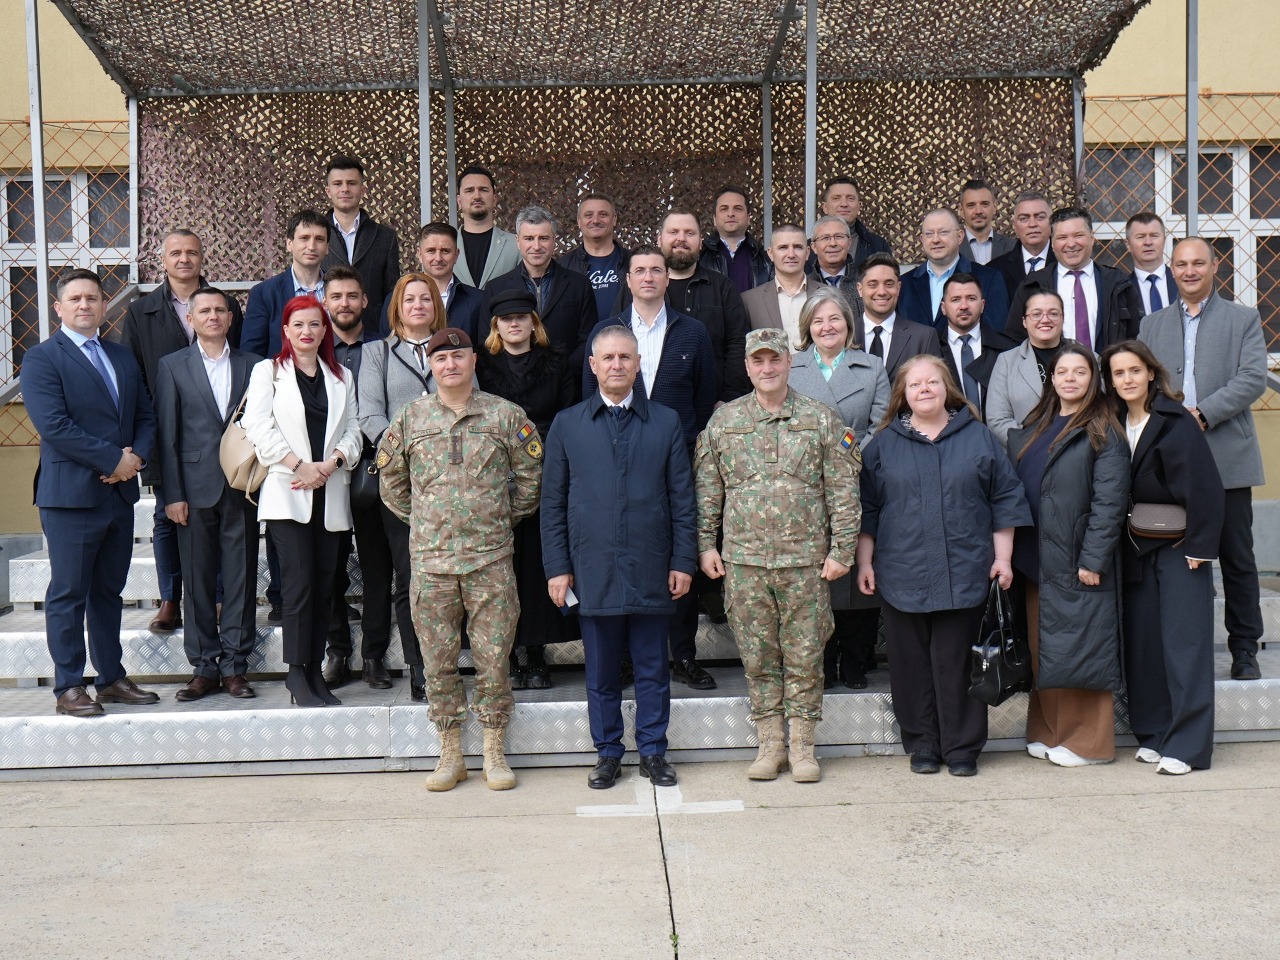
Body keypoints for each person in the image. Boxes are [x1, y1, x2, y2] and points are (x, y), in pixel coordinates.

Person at [377, 328, 543, 792]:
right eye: (441, 358)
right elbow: (391, 482)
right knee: (438, 662)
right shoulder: (410, 417)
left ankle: (493, 749)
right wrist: (427, 521)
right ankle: (450, 752)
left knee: (494, 659)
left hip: (490, 560)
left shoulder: (505, 415)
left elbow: (531, 477)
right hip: (432, 564)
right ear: (431, 366)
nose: (450, 364)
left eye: (458, 356)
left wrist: (497, 519)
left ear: (474, 360)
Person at [695, 328, 863, 783]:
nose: (767, 368)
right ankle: (770, 744)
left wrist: (842, 550)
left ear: (790, 363)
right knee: (758, 657)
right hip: (745, 564)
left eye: (775, 359)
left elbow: (843, 491)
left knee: (806, 656)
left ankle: (803, 747)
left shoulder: (820, 419)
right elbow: (708, 491)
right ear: (747, 367)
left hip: (806, 564)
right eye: (758, 361)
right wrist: (706, 545)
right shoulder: (725, 422)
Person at [856, 355, 1030, 776]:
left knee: (958, 664)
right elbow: (868, 509)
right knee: (910, 666)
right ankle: (922, 745)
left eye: (932, 381)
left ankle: (962, 749)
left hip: (965, 569)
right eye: (915, 384)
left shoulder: (979, 438)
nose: (924, 389)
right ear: (903, 394)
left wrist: (1003, 558)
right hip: (902, 572)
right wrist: (864, 562)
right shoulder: (883, 445)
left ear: (946, 387)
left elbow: (1004, 498)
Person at [542, 325, 696, 790]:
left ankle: (653, 751)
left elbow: (683, 499)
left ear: (637, 364)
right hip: (592, 568)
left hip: (652, 564)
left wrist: (683, 560)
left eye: (625, 357)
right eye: (607, 358)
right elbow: (552, 504)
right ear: (592, 365)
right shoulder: (568, 425)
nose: (616, 365)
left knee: (652, 669)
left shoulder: (665, 422)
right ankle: (608, 753)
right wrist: (558, 567)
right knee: (602, 672)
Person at [21, 269, 159, 717]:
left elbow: (145, 415)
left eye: (93, 298)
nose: (85, 305)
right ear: (58, 308)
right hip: (71, 497)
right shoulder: (42, 358)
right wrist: (112, 460)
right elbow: (54, 426)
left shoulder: (120, 355)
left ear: (104, 306)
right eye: (75, 299)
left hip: (118, 495)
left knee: (108, 592)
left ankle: (111, 678)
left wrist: (136, 459)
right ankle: (68, 686)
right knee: (69, 593)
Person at [582, 245, 717, 689]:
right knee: (624, 553)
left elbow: (703, 399)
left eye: (656, 270)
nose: (648, 277)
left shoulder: (692, 332)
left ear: (667, 277)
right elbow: (591, 397)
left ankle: (683, 655)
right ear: (627, 279)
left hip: (678, 457)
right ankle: (624, 660)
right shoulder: (607, 332)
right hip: (618, 459)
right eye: (639, 270)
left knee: (679, 550)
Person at [1140, 236, 1268, 681]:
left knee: (1236, 557)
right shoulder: (1151, 325)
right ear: (1171, 270)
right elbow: (1143, 382)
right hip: (1169, 463)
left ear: (1215, 267)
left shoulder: (1243, 318)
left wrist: (1202, 413)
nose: (1189, 271)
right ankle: (1178, 650)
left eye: (1198, 263)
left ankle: (1244, 648)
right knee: (1176, 558)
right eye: (1181, 264)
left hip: (1227, 457)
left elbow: (1253, 378)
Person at [1102, 339, 1225, 774]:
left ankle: (1189, 748)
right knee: (1145, 647)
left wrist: (1200, 547)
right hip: (1134, 547)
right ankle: (1154, 734)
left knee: (1185, 646)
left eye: (1135, 370)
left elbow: (1206, 486)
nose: (1127, 379)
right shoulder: (1112, 421)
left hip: (1178, 547)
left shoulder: (1175, 420)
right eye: (1119, 373)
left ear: (1151, 373)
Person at [1008, 343, 1129, 767]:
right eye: (1062, 372)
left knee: (1082, 650)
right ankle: (1049, 732)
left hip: (1078, 561)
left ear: (1093, 379)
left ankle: (1088, 744)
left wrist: (1093, 559)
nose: (1070, 379)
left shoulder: (1103, 429)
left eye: (1080, 371)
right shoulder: (1036, 425)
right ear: (1051, 379)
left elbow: (1110, 503)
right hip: (1037, 560)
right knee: (1046, 649)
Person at [242, 295, 362, 708]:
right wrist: (299, 465)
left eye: (314, 324)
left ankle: (314, 672)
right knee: (299, 587)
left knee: (326, 588)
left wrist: (333, 462)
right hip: (289, 493)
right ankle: (296, 673)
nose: (307, 331)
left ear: (325, 330)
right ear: (286, 331)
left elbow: (355, 428)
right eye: (298, 325)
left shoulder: (341, 376)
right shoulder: (268, 372)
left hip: (331, 492)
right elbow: (257, 425)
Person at [122, 228, 244, 633]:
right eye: (175, 253)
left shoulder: (224, 305)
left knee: (218, 516)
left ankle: (220, 598)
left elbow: (236, 364)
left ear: (202, 257)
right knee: (166, 516)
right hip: (163, 429)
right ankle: (170, 598)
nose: (184, 259)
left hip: (217, 436)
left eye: (192, 252)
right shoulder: (142, 311)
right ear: (163, 260)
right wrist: (146, 426)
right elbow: (135, 374)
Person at [153, 287, 262, 700]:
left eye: (220, 310)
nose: (213, 316)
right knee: (197, 582)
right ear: (191, 319)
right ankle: (203, 667)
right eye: (205, 311)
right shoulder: (172, 366)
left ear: (230, 318)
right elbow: (167, 434)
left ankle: (235, 667)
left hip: (241, 486)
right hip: (192, 489)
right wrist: (172, 495)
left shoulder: (255, 365)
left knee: (240, 579)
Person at [786, 287, 889, 690]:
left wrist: (846, 459)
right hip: (805, 484)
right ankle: (824, 660)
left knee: (857, 571)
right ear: (807, 327)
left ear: (848, 324)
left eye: (834, 319)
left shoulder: (872, 367)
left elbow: (882, 424)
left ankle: (856, 659)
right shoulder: (792, 366)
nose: (827, 327)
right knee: (816, 574)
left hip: (859, 477)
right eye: (818, 320)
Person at [476, 289, 578, 689]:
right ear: (496, 326)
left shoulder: (557, 362)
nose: (514, 324)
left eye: (522, 317)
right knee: (502, 569)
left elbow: (568, 416)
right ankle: (508, 653)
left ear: (534, 323)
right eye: (507, 318)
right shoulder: (482, 366)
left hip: (546, 471)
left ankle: (536, 653)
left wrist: (534, 441)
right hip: (495, 477)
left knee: (537, 565)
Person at [357, 272, 451, 702]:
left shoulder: (453, 348)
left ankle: (449, 660)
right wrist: (407, 452)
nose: (418, 305)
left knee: (445, 576)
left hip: (449, 481)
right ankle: (420, 667)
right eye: (409, 299)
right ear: (397, 307)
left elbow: (468, 402)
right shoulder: (376, 352)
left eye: (425, 298)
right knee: (409, 574)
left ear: (436, 305)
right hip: (400, 482)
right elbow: (370, 414)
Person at [320, 267, 399, 692]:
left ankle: (373, 654)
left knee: (375, 567)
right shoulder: (315, 351)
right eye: (336, 296)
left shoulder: (383, 350)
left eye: (352, 295)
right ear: (325, 302)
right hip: (327, 474)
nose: (345, 303)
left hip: (373, 471)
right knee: (331, 567)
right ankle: (337, 650)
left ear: (365, 301)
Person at [646, 207, 750, 403]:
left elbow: (738, 344)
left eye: (689, 233)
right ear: (659, 239)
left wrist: (729, 400)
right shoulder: (639, 288)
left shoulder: (722, 288)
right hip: (651, 407)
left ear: (701, 241)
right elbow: (621, 340)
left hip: (712, 406)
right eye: (673, 232)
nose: (681, 239)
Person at [1004, 206, 1142, 353]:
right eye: (1062, 237)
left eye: (1078, 235)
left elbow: (1137, 337)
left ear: (1092, 238)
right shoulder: (1032, 285)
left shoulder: (1119, 283)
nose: (1071, 244)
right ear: (1052, 243)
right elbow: (1015, 338)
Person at [485, 205, 599, 381]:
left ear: (554, 240)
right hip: (514, 385)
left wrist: (561, 374)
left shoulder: (579, 285)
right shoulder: (496, 288)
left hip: (567, 384)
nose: (536, 246)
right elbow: (488, 341)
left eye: (543, 238)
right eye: (529, 238)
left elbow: (588, 339)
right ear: (518, 241)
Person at [319, 154, 401, 331]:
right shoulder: (316, 236)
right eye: (338, 184)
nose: (345, 189)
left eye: (352, 183)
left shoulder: (385, 237)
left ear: (363, 189)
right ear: (328, 191)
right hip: (325, 333)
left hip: (373, 333)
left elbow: (392, 294)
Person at [896, 208, 1010, 334]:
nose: (935, 240)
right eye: (929, 234)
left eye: (943, 232)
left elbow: (996, 334)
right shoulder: (904, 284)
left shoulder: (989, 279)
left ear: (960, 236)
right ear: (922, 239)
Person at [986, 290, 1067, 449]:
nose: (1045, 319)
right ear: (1024, 321)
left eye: (1053, 313)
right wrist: (1033, 445)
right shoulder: (1007, 361)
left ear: (1063, 318)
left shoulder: (1087, 357)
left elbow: (1100, 410)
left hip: (1078, 451)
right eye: (1036, 314)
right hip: (1026, 453)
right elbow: (997, 419)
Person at [380, 221, 487, 340]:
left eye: (445, 251)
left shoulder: (478, 301)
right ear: (419, 254)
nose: (438, 258)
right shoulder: (395, 299)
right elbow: (387, 345)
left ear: (456, 255)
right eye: (431, 251)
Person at [855, 252, 944, 382]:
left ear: (899, 287)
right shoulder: (845, 335)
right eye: (873, 284)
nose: (881, 292)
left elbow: (936, 385)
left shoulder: (924, 337)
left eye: (889, 284)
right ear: (860, 289)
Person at [936, 272, 1012, 419]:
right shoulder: (931, 348)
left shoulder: (1006, 348)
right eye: (956, 300)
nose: (964, 306)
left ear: (982, 305)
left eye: (971, 298)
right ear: (943, 308)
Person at [744, 223, 824, 346]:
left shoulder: (828, 295)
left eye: (797, 247)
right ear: (770, 253)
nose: (791, 255)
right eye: (783, 248)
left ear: (808, 252)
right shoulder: (750, 301)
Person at [557, 193, 631, 320]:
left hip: (626, 332)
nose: (596, 220)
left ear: (614, 219)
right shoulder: (562, 267)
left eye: (603, 214)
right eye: (588, 215)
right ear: (579, 221)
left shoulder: (633, 262)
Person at [453, 165, 519, 288]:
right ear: (459, 201)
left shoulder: (516, 245)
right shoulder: (445, 247)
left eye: (483, 190)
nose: (477, 196)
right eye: (469, 190)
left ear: (494, 199)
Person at [698, 186, 773, 293]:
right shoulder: (699, 257)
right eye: (724, 209)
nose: (730, 214)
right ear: (714, 219)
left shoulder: (766, 261)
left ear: (748, 218)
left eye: (738, 208)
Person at [816, 175, 893, 270]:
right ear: (825, 207)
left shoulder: (878, 246)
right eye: (836, 198)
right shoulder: (807, 249)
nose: (844, 204)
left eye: (850, 198)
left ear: (859, 206)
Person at [989, 190, 1056, 299]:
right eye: (1024, 218)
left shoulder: (1066, 264)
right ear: (1014, 225)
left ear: (1052, 222)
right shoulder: (995, 271)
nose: (1032, 224)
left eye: (1040, 217)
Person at [1124, 211, 1176, 316]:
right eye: (1140, 237)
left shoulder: (1183, 282)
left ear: (1164, 241)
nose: (1148, 242)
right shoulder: (1121, 290)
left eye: (1154, 236)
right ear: (1128, 244)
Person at [958, 179, 1016, 265]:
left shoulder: (1013, 248)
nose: (978, 211)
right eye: (971, 205)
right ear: (961, 210)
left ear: (994, 207)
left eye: (984, 204)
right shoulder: (951, 248)